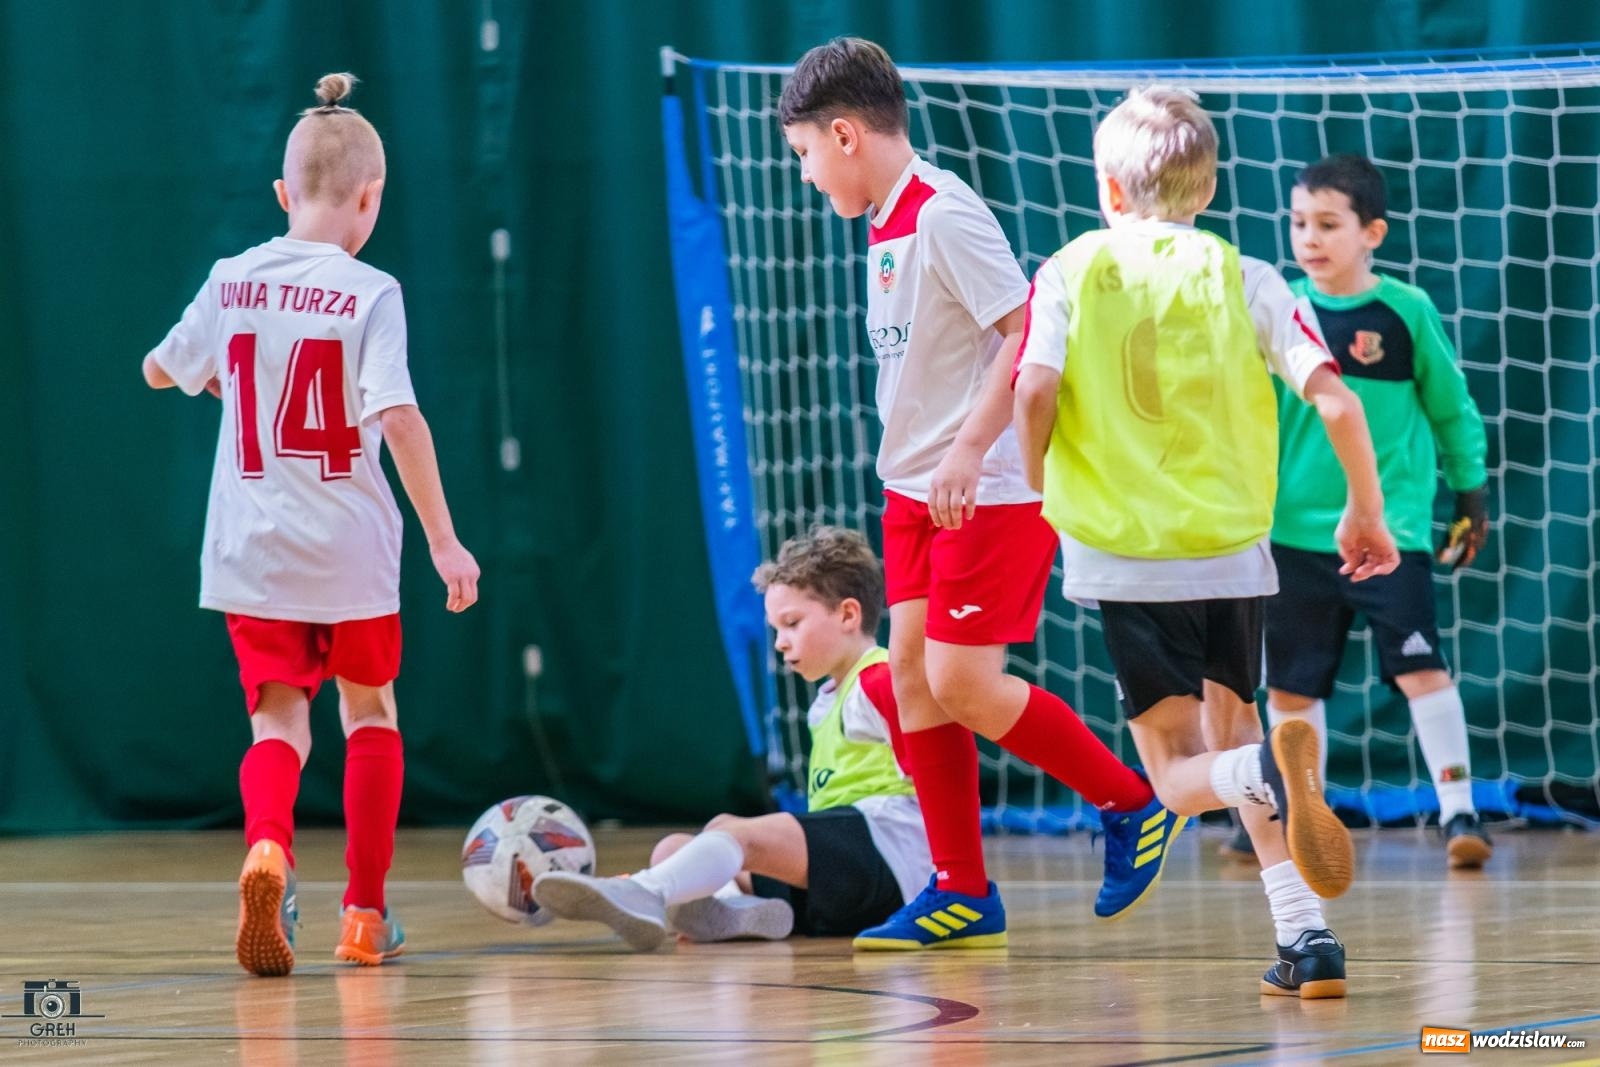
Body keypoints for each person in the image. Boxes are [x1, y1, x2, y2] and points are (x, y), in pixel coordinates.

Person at [776, 38, 1179, 952]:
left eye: (805, 155)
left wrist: (966, 449)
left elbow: (1024, 329)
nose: (804, 176)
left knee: (961, 679)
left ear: (844, 135)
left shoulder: (944, 212)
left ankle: (1133, 803)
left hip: (983, 485)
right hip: (913, 486)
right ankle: (960, 889)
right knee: (913, 680)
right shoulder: (884, 217)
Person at [1013, 87, 1401, 998]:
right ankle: (1308, 939)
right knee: (1239, 738)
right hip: (1233, 553)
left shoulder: (1069, 268)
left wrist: (1038, 484)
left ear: (1110, 186)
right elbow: (1336, 399)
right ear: (1210, 185)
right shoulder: (1248, 275)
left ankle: (1265, 767)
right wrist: (1366, 512)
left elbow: (1033, 393)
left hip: (1125, 554)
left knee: (1183, 778)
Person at [142, 73, 480, 976]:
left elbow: (158, 370)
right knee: (370, 711)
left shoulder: (231, 277)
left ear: (283, 195)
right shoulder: (371, 290)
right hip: (351, 550)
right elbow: (399, 416)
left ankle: (268, 850)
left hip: (253, 552)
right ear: (371, 198)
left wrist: (207, 372)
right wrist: (445, 540)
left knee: (277, 727)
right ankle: (364, 913)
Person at [1241, 153, 1490, 869]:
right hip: (1292, 533)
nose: (1309, 238)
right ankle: (1300, 812)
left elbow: (1452, 409)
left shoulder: (1406, 311)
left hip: (1393, 530)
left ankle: (1459, 809)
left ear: (1371, 231)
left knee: (1422, 669)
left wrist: (1469, 493)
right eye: (1298, 223)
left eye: (1328, 223)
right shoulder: (1278, 309)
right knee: (1291, 685)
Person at [532, 527, 933, 950]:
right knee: (673, 850)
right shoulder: (829, 699)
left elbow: (935, 773)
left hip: (892, 859)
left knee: (728, 831)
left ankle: (646, 892)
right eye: (776, 628)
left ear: (848, 615)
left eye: (792, 623)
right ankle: (734, 912)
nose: (780, 642)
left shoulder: (880, 679)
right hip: (844, 879)